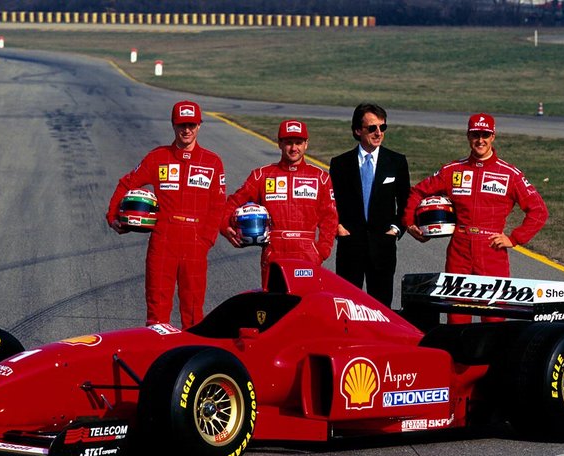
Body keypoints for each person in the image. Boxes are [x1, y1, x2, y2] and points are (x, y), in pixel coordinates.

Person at [403, 113, 548, 323]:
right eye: (475, 134)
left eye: (485, 134)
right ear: (468, 136)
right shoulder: (453, 170)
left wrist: (514, 239)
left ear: (493, 136)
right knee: (457, 319)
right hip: (459, 251)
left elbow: (539, 211)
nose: (480, 140)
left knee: (494, 321)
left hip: (492, 252)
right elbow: (417, 192)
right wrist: (410, 223)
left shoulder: (510, 174)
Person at [106, 100, 225, 329]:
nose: (186, 130)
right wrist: (113, 216)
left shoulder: (212, 162)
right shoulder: (157, 157)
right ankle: (158, 360)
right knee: (157, 312)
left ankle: (190, 361)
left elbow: (218, 206)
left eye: (191, 125)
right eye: (181, 125)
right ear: (173, 125)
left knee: (193, 311)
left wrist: (205, 241)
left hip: (195, 244)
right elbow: (126, 183)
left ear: (199, 125)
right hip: (163, 242)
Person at [220, 119, 338, 286]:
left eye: (298, 142)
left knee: (306, 307)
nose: (294, 148)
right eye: (288, 143)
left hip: (308, 254)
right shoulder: (262, 175)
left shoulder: (321, 178)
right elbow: (233, 202)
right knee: (273, 308)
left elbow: (330, 219)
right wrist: (225, 227)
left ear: (306, 144)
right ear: (279, 144)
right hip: (274, 252)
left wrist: (321, 252)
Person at [329, 102, 411, 307]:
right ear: (358, 130)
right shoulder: (340, 164)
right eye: (372, 128)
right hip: (350, 246)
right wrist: (337, 227)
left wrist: (396, 229)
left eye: (382, 127)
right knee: (346, 306)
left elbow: (405, 202)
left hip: (382, 247)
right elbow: (331, 202)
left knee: (381, 307)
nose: (378, 133)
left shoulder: (396, 162)